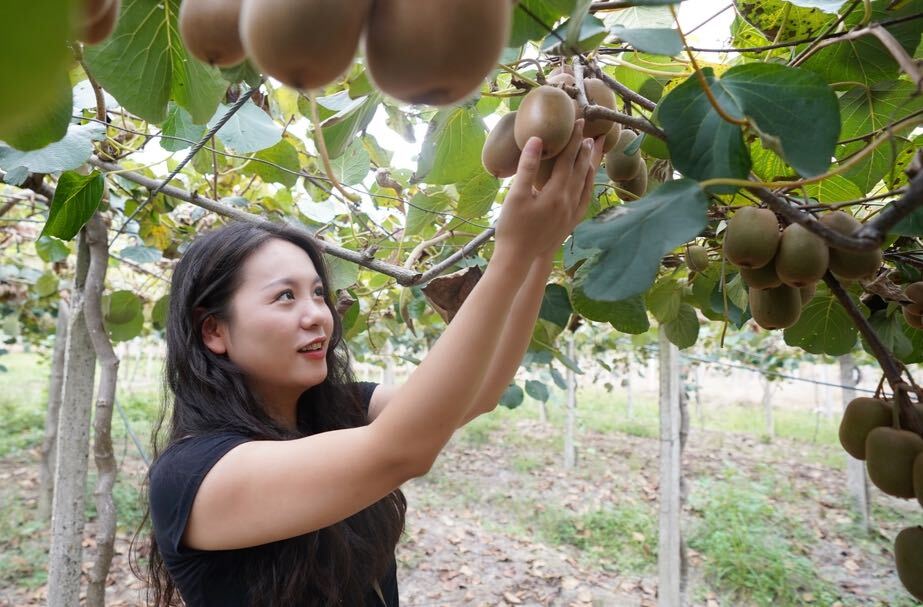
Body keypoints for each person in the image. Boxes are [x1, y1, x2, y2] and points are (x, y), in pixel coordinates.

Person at [138, 120, 604, 607]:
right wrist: (512, 253)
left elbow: (481, 391)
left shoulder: (339, 409)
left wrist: (542, 251)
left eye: (318, 293)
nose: (317, 315)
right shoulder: (193, 477)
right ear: (214, 330)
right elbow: (401, 450)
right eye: (284, 297)